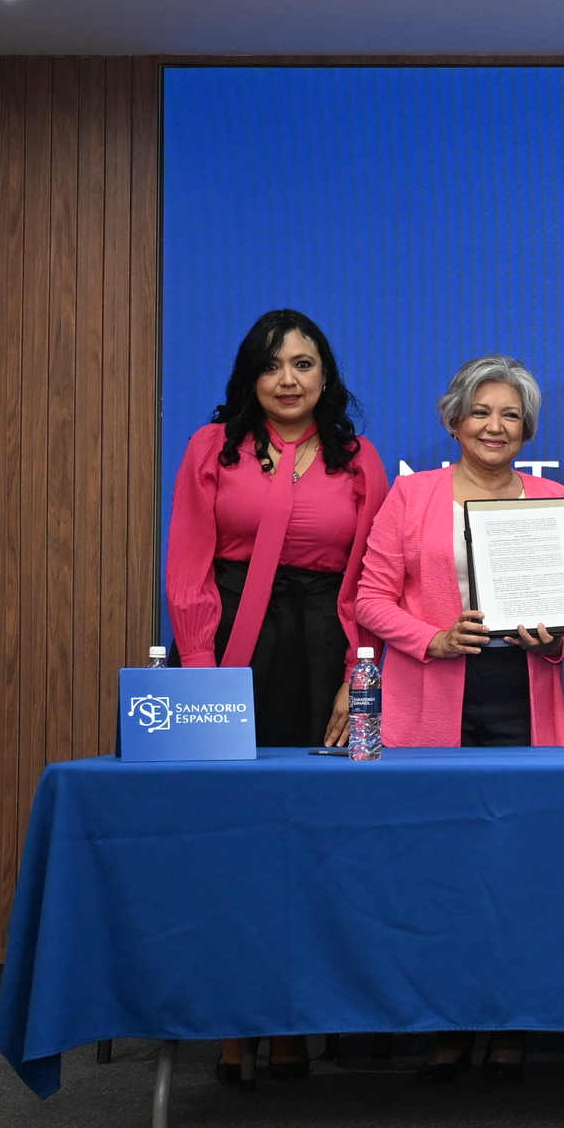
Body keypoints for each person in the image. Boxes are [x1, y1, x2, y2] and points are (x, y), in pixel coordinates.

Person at [166, 308, 388, 1083]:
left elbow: (369, 582)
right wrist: (206, 674)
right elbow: (188, 565)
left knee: (313, 839)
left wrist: (357, 680)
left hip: (324, 653)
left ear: (326, 377)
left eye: (302, 364)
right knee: (232, 839)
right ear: (248, 378)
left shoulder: (358, 459)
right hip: (231, 646)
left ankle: (294, 1019)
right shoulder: (211, 448)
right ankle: (236, 1018)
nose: (287, 379)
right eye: (270, 365)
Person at [355, 355, 564, 1084]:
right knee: (439, 873)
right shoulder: (411, 494)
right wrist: (434, 638)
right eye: (481, 411)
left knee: (519, 873)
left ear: (528, 430)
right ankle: (445, 1023)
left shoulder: (552, 500)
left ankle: (512, 1023)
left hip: (522, 698)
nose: (495, 425)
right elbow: (369, 599)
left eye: (511, 414)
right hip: (431, 700)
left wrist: (554, 640)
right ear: (454, 421)